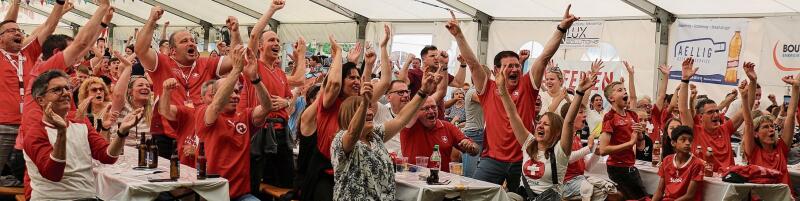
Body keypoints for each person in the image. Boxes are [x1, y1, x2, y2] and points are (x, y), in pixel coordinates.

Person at [448, 6, 579, 189]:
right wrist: (458, 35)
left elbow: (544, 57)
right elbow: (473, 63)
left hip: (524, 158)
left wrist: (561, 29)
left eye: (517, 65)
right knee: (474, 195)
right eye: (509, 66)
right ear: (496, 70)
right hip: (492, 159)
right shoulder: (488, 88)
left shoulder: (527, 85)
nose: (515, 69)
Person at [135, 6, 239, 158]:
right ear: (172, 51)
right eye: (184, 41)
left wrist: (235, 32)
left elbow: (235, 60)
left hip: (199, 133)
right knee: (166, 178)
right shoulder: (162, 63)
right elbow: (141, 50)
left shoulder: (206, 63)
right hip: (167, 134)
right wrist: (152, 21)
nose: (191, 43)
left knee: (197, 177)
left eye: (192, 40)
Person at [23, 70, 142, 200]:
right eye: (57, 90)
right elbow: (53, 174)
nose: (65, 93)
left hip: (87, 196)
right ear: (41, 100)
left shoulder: (81, 122)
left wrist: (122, 132)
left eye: (67, 88)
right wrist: (62, 132)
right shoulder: (35, 133)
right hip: (52, 198)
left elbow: (107, 156)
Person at [331, 67, 439, 201]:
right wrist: (364, 103)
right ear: (349, 116)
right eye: (365, 110)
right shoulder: (340, 140)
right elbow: (353, 133)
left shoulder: (375, 136)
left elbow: (401, 119)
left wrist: (423, 92)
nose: (370, 112)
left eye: (370, 108)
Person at [499, 61, 595, 199]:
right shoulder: (529, 143)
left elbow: (568, 122)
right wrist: (502, 89)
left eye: (546, 124)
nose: (540, 126)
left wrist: (579, 92)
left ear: (556, 131)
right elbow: (512, 114)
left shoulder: (560, 150)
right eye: (540, 123)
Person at [0, 0, 71, 178]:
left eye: (19, 30)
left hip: (29, 125)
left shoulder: (28, 52)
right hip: (3, 126)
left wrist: (59, 4)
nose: (17, 33)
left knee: (29, 173)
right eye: (11, 31)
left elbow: (48, 26)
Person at [240, 0, 305, 193]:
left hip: (281, 132)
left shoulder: (279, 72)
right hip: (260, 131)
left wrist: (286, 101)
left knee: (285, 181)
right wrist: (272, 10)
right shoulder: (254, 65)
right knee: (256, 182)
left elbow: (293, 97)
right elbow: (253, 34)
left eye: (278, 40)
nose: (276, 43)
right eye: (271, 40)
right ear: (260, 47)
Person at [199, 46, 272, 200]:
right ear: (214, 95)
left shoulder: (244, 115)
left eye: (237, 91)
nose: (235, 95)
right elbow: (217, 105)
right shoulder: (204, 113)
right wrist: (236, 70)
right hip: (212, 194)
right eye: (230, 90)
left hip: (241, 196)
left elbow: (267, 107)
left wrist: (255, 79)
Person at [310, 34, 363, 201]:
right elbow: (333, 84)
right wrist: (339, 53)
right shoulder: (329, 103)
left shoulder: (356, 104)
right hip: (326, 174)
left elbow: (378, 85)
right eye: (352, 78)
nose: (357, 81)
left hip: (351, 173)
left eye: (358, 78)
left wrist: (353, 64)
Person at [678, 57, 745, 172]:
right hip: (705, 182)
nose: (716, 115)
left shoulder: (725, 129)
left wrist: (752, 84)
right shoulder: (695, 131)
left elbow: (745, 109)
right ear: (700, 117)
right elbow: (683, 110)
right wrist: (684, 80)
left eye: (717, 111)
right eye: (710, 112)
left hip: (727, 181)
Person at [742, 65, 798, 195]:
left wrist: (795, 87)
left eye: (772, 126)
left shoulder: (781, 148)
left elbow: (790, 116)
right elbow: (749, 123)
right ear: (756, 134)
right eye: (765, 127)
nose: (771, 129)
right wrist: (745, 98)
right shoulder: (753, 151)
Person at [597, 64, 647, 199]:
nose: (625, 92)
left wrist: (641, 134)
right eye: (620, 90)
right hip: (617, 168)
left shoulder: (632, 115)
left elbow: (641, 146)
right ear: (611, 98)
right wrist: (630, 143)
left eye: (625, 90)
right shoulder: (609, 117)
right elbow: (603, 150)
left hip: (630, 165)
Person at [399, 96, 479, 172]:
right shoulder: (409, 127)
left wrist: (470, 146)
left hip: (442, 182)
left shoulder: (447, 127)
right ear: (416, 112)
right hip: (414, 179)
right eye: (426, 108)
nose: (431, 111)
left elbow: (475, 150)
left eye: (434, 107)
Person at [652, 125, 705, 201]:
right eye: (683, 140)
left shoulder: (697, 164)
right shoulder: (667, 160)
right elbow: (659, 191)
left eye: (690, 140)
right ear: (673, 143)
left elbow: (689, 196)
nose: (687, 143)